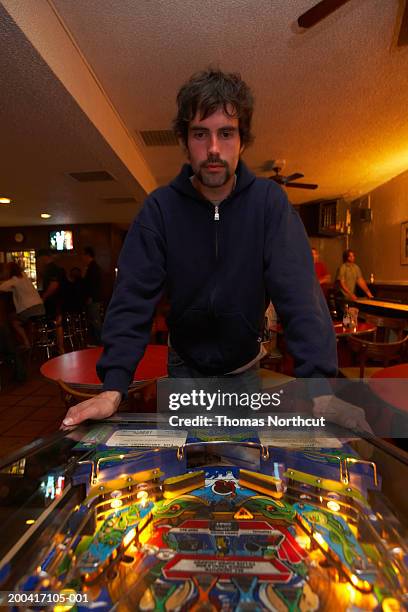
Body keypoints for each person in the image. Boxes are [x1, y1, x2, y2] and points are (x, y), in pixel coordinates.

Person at [62, 68, 337, 428]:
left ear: (242, 141)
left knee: (241, 470)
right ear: (184, 140)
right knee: (185, 476)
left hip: (245, 372)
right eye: (199, 134)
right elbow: (132, 300)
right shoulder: (159, 209)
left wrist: (321, 389)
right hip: (183, 371)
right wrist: (113, 388)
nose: (212, 149)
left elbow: (300, 295)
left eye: (226, 134)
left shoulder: (270, 203)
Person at [0, 262, 45, 348]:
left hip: (29, 310)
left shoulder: (14, 280)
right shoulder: (24, 277)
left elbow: (2, 287)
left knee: (13, 321)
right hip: (41, 308)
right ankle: (35, 338)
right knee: (29, 321)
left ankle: (26, 342)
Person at [37, 249, 67, 354]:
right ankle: (58, 348)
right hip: (57, 301)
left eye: (40, 258)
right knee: (57, 324)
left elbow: (54, 285)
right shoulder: (53, 268)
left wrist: (44, 296)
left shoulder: (51, 269)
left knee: (57, 324)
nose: (39, 261)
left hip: (54, 301)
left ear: (44, 257)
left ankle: (60, 349)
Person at [82, 247, 103, 345]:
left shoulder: (92, 268)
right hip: (95, 297)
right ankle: (98, 341)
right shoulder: (93, 267)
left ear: (87, 255)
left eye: (83, 255)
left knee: (95, 320)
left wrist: (90, 297)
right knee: (95, 320)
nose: (82, 258)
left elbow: (92, 284)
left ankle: (99, 342)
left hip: (93, 298)